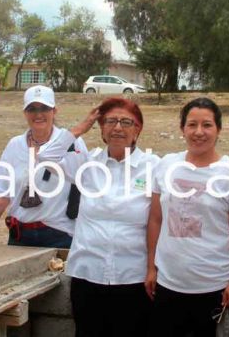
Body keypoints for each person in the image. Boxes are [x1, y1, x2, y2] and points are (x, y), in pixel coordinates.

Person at [35, 97, 160, 337]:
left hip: (133, 278)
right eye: (110, 121)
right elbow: (45, 158)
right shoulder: (87, 164)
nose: (118, 128)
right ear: (101, 128)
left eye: (126, 122)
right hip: (87, 276)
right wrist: (79, 129)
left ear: (138, 129)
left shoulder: (154, 166)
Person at [146, 97, 229, 337]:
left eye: (207, 125)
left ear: (218, 130)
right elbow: (155, 220)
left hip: (214, 286)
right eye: (192, 124)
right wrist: (151, 269)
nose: (199, 132)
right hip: (168, 283)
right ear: (182, 128)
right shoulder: (165, 165)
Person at [0, 85, 88, 248]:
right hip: (20, 235)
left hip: (60, 236)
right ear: (24, 113)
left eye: (44, 108)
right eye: (32, 109)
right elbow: (2, 194)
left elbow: (86, 185)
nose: (38, 114)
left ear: (54, 111)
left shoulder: (72, 143)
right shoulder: (15, 145)